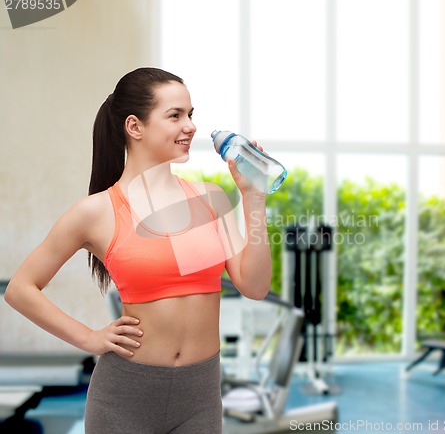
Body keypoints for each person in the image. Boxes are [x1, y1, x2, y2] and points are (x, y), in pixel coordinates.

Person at [4, 67, 272, 433]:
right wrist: (89, 337)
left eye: (191, 114)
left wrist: (253, 197)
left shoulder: (210, 198)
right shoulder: (96, 211)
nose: (190, 126)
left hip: (201, 396)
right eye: (175, 115)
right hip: (125, 398)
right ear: (135, 126)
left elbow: (254, 287)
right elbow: (21, 289)